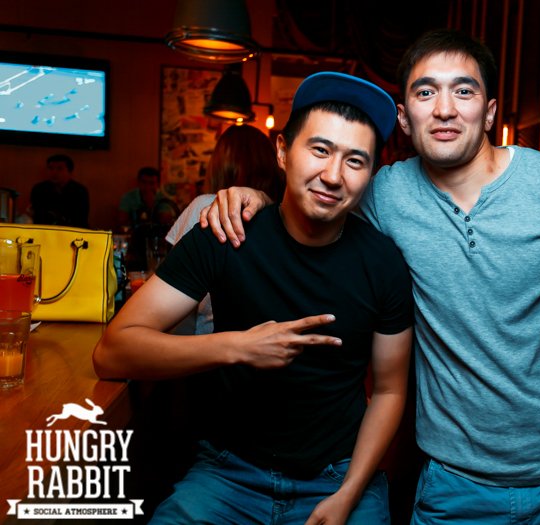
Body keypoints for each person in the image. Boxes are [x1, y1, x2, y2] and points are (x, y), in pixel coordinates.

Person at [202, 29, 540, 524]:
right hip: (452, 485)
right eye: (425, 92)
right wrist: (257, 198)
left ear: (489, 112)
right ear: (404, 118)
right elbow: (317, 203)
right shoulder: (384, 193)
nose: (444, 109)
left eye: (463, 90)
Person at [93, 71, 414, 524]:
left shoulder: (383, 264)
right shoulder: (226, 232)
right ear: (282, 152)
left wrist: (348, 494)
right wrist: (238, 347)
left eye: (355, 161)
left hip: (340, 476)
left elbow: (389, 390)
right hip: (228, 474)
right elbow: (112, 352)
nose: (332, 175)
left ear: (371, 174)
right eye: (320, 150)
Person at [165, 124, 284, 335]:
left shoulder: (208, 207)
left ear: (221, 165)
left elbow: (176, 310)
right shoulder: (282, 218)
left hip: (206, 347)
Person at [29, 154, 89, 227]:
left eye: (59, 169)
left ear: (70, 172)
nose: (54, 172)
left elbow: (80, 219)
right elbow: (38, 216)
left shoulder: (79, 191)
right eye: (51, 168)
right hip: (45, 230)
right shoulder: (39, 189)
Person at [117, 167, 178, 231]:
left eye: (151, 183)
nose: (147, 187)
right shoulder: (128, 197)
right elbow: (121, 222)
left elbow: (166, 223)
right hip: (133, 233)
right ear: (138, 182)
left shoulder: (163, 199)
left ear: (158, 184)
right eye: (144, 182)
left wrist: (151, 205)